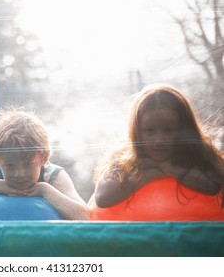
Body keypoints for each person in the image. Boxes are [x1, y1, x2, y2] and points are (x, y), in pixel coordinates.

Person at [89, 83, 224, 220]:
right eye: (149, 131)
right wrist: (147, 176)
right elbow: (101, 198)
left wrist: (167, 167)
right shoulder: (124, 157)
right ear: (136, 132)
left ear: (185, 130)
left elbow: (213, 186)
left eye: (168, 130)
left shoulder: (200, 153)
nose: (159, 140)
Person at [0, 107, 89, 220]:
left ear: (43, 157)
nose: (19, 174)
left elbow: (85, 216)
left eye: (28, 164)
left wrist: (46, 190)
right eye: (10, 166)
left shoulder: (53, 176)